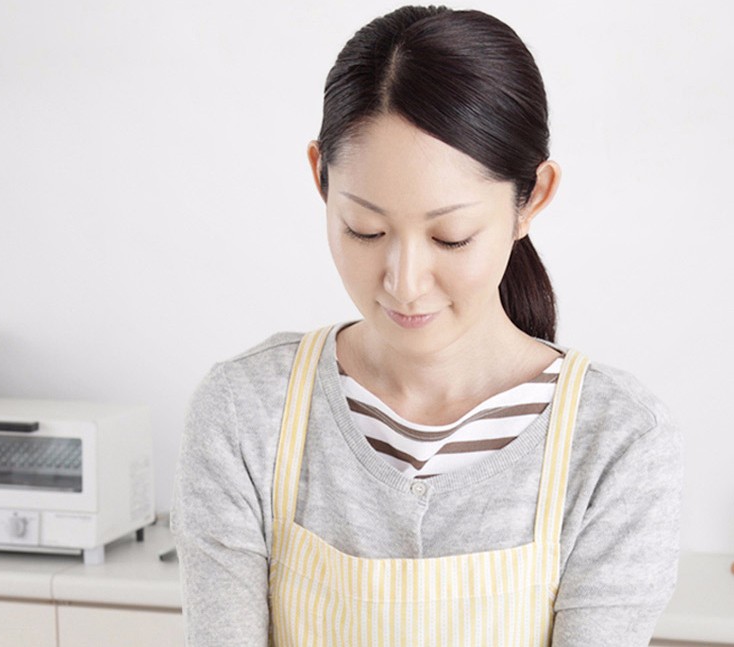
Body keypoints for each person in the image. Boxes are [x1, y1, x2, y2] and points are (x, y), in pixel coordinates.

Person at [171, 5, 682, 646]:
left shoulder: (617, 441)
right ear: (321, 179)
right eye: (365, 229)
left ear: (533, 198)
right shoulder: (245, 413)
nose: (405, 282)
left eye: (451, 236)